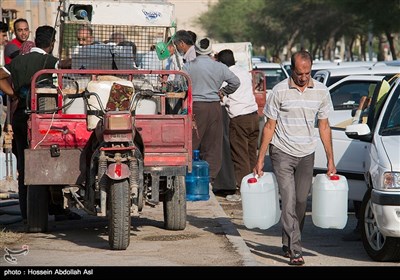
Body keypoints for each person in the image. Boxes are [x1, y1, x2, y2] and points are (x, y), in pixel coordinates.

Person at [253, 50, 336, 266]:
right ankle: (295, 250)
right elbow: (269, 127)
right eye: (300, 73)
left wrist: (330, 160)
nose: (303, 77)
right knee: (288, 200)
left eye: (307, 73)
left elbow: (324, 127)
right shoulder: (279, 91)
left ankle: (287, 239)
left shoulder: (321, 92)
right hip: (282, 151)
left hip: (307, 152)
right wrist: (261, 158)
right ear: (292, 70)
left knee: (301, 202)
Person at [0, 25, 81, 224]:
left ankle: (28, 215)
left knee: (24, 168)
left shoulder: (17, 61)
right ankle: (58, 210)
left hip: (20, 118)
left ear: (36, 41)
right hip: (46, 121)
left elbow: (0, 75)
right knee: (52, 163)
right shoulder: (50, 62)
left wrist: (13, 93)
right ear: (52, 44)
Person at [183, 37, 240, 184]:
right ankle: (209, 179)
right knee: (213, 144)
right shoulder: (220, 67)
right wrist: (223, 92)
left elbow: (177, 82)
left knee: (192, 141)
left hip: (195, 108)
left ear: (196, 48)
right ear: (210, 50)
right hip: (214, 107)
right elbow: (235, 82)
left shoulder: (188, 66)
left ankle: (186, 175)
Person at [216, 49, 259, 201]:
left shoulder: (225, 76)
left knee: (240, 157)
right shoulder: (244, 72)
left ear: (221, 63)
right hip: (254, 116)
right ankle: (255, 187)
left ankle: (242, 191)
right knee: (251, 154)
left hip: (239, 119)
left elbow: (223, 98)